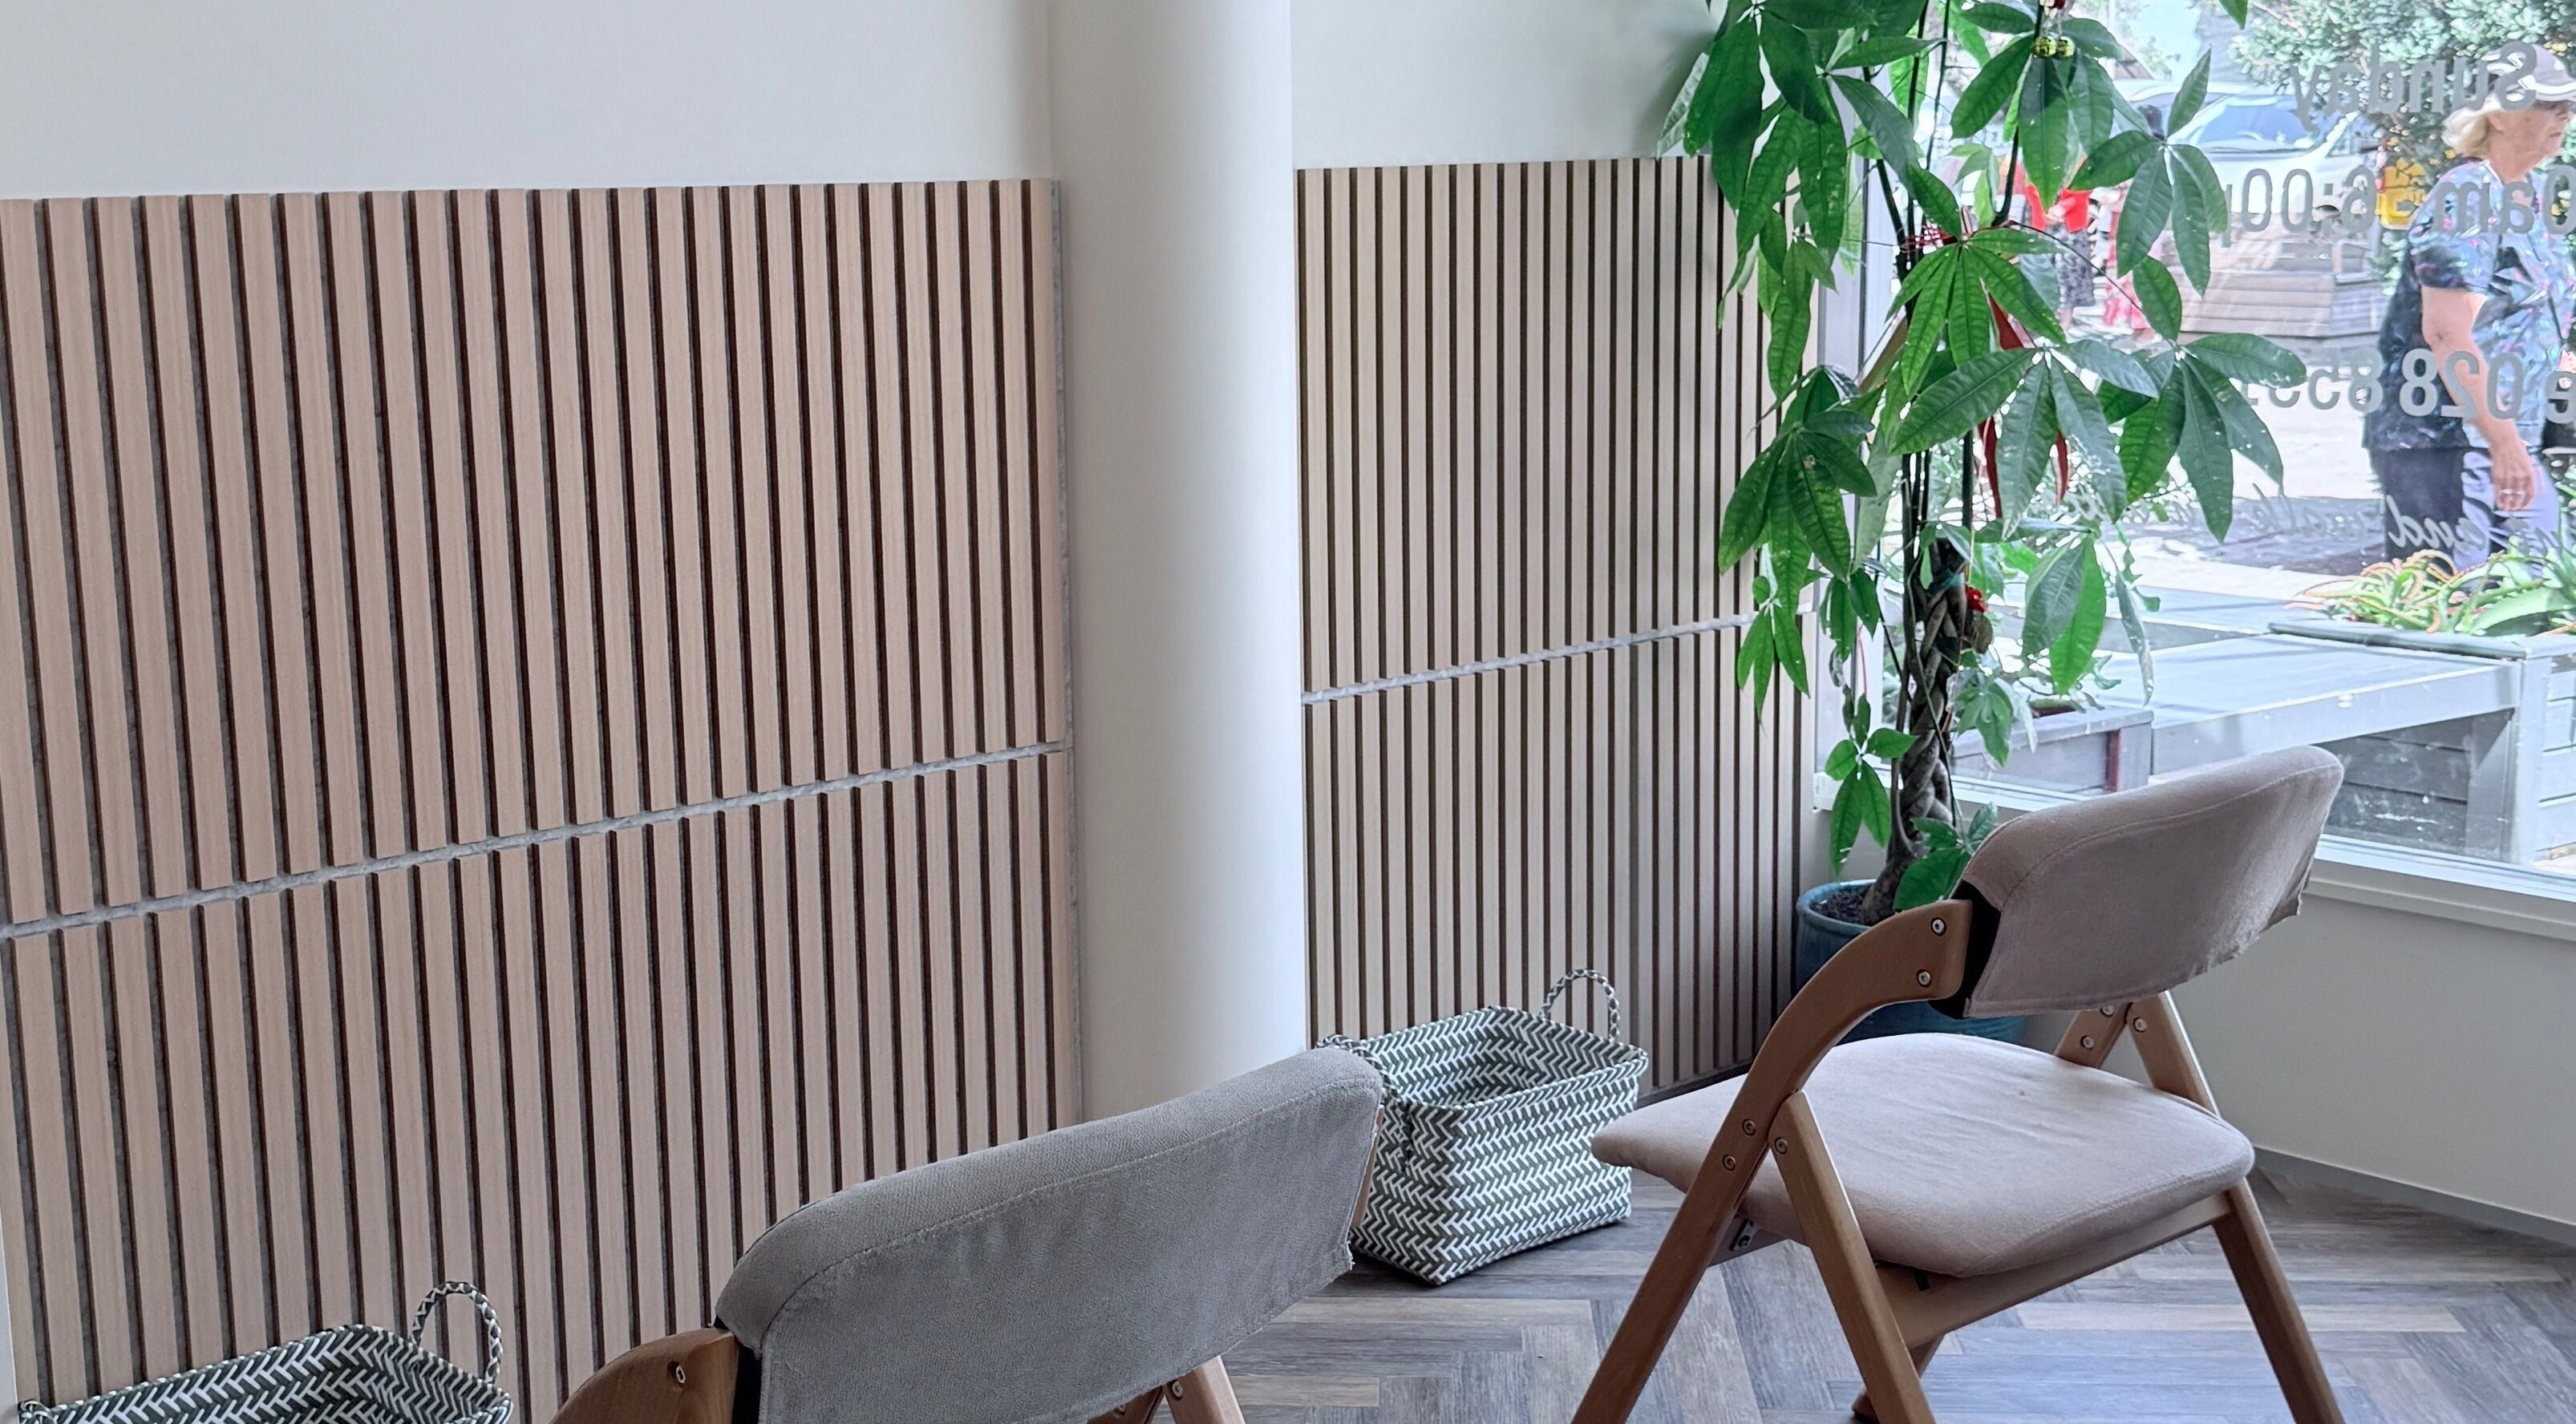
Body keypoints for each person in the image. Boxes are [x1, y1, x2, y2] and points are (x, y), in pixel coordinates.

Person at [2363, 46, 2576, 567]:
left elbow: (2529, 319)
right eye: (2549, 104)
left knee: (2541, 586)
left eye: (2568, 104)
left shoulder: (2527, 195)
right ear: (2499, 115)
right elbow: (2448, 334)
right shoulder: (2466, 197)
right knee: (2458, 601)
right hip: (2451, 443)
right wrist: (2504, 444)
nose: (2565, 115)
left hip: (2507, 439)